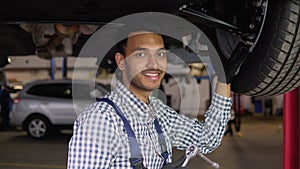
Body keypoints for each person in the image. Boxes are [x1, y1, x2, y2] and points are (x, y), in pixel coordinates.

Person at [67, 28, 249, 168]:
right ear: (121, 61)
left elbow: (207, 139)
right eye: (141, 54)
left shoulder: (158, 113)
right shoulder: (101, 121)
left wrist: (224, 80)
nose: (154, 64)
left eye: (160, 54)